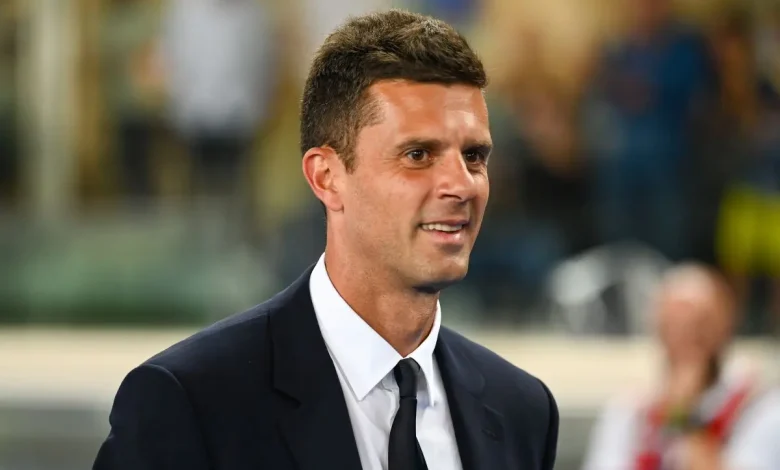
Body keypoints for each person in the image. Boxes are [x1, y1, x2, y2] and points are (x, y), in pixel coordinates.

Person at [93, 9, 559, 470]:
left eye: (474, 156)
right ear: (326, 177)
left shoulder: (522, 411)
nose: (461, 185)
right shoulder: (189, 402)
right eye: (418, 154)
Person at [582, 263, 780, 470]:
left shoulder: (761, 408)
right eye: (673, 324)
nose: (685, 336)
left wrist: (684, 417)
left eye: (700, 325)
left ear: (725, 327)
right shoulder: (629, 412)